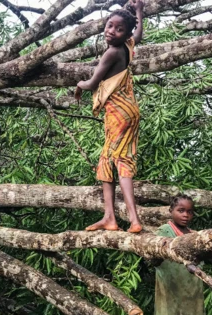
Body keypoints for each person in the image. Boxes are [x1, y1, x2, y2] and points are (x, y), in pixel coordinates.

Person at [75, 0, 144, 233]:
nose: (111, 31)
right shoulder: (127, 46)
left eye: (118, 28)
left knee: (119, 160)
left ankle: (133, 220)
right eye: (109, 25)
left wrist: (78, 83)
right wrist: (139, 12)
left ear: (124, 33)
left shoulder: (112, 52)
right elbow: (139, 35)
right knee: (107, 160)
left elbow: (92, 83)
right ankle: (110, 218)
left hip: (118, 114)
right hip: (129, 110)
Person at [154, 195, 207, 315]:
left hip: (191, 288)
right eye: (181, 210)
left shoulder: (194, 234)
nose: (186, 215)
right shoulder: (164, 231)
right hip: (171, 287)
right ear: (171, 211)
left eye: (190, 211)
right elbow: (153, 254)